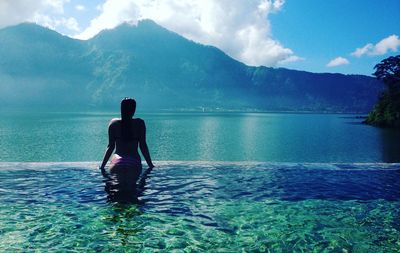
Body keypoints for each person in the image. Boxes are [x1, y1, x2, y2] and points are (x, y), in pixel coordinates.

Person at [99, 98, 154, 198]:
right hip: (133, 162)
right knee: (134, 193)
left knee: (114, 193)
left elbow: (110, 147)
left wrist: (102, 166)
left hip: (117, 163)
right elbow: (143, 146)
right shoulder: (139, 123)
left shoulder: (114, 123)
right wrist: (150, 165)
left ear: (121, 109)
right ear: (134, 110)